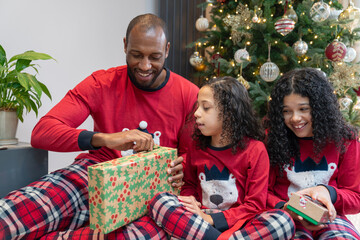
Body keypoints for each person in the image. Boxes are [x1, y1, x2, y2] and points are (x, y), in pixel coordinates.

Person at [0, 13, 199, 239]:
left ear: (167, 50)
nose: (145, 66)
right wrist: (104, 138)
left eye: (154, 56)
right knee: (13, 215)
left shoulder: (189, 94)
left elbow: (197, 159)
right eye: (136, 55)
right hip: (93, 175)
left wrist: (183, 169)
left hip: (155, 192)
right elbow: (42, 132)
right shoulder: (101, 83)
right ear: (125, 46)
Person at [149, 77, 295, 239]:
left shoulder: (256, 150)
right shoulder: (196, 147)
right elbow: (189, 185)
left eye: (205, 108)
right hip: (200, 220)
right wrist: (190, 200)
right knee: (160, 202)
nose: (196, 113)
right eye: (198, 106)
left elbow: (255, 205)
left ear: (229, 114)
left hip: (240, 223)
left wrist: (212, 219)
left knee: (283, 220)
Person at [266, 67, 360, 239]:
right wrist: (284, 207)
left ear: (320, 108)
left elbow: (356, 197)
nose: (295, 118)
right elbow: (262, 191)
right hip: (285, 215)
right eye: (286, 111)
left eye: (303, 109)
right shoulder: (272, 139)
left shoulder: (345, 140)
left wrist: (328, 192)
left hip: (331, 216)